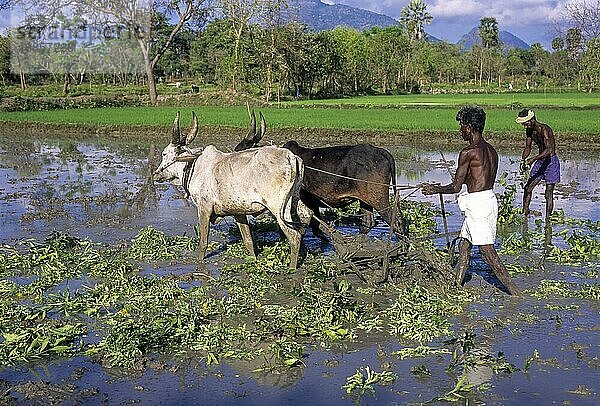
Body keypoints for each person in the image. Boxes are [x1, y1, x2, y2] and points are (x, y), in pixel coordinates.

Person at [422, 105, 520, 295]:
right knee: (464, 245)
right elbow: (478, 179)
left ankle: (516, 294)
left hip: (477, 205)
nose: (460, 131)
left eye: (461, 126)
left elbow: (456, 187)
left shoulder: (468, 152)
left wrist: (434, 189)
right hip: (488, 200)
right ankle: (456, 285)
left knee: (487, 253)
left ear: (469, 127)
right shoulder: (491, 150)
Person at [516, 109, 560, 218]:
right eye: (523, 124)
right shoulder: (529, 131)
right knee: (528, 188)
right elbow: (528, 147)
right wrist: (523, 160)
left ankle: (548, 219)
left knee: (548, 192)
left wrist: (533, 159)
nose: (524, 126)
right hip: (540, 162)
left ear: (531, 120)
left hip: (551, 162)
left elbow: (549, 150)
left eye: (525, 123)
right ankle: (525, 212)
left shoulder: (544, 129)